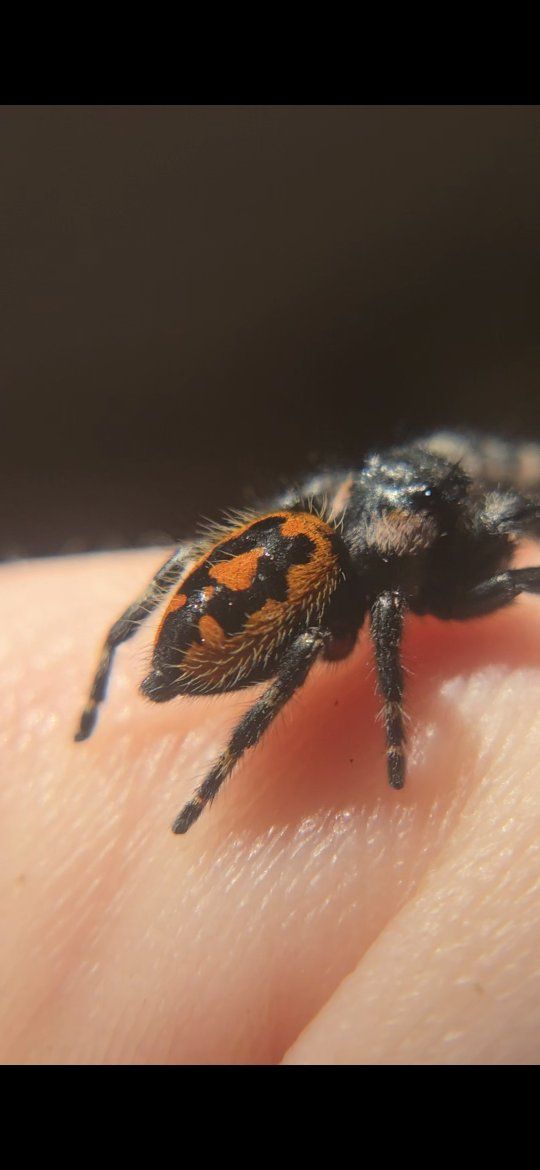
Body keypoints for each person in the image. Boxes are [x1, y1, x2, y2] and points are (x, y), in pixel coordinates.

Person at [2, 544, 540, 1064]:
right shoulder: (373, 590)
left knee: (213, 563)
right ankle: (217, 774)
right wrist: (394, 723)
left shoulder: (331, 528)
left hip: (281, 571)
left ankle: (122, 679)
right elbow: (384, 606)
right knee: (309, 642)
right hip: (255, 621)